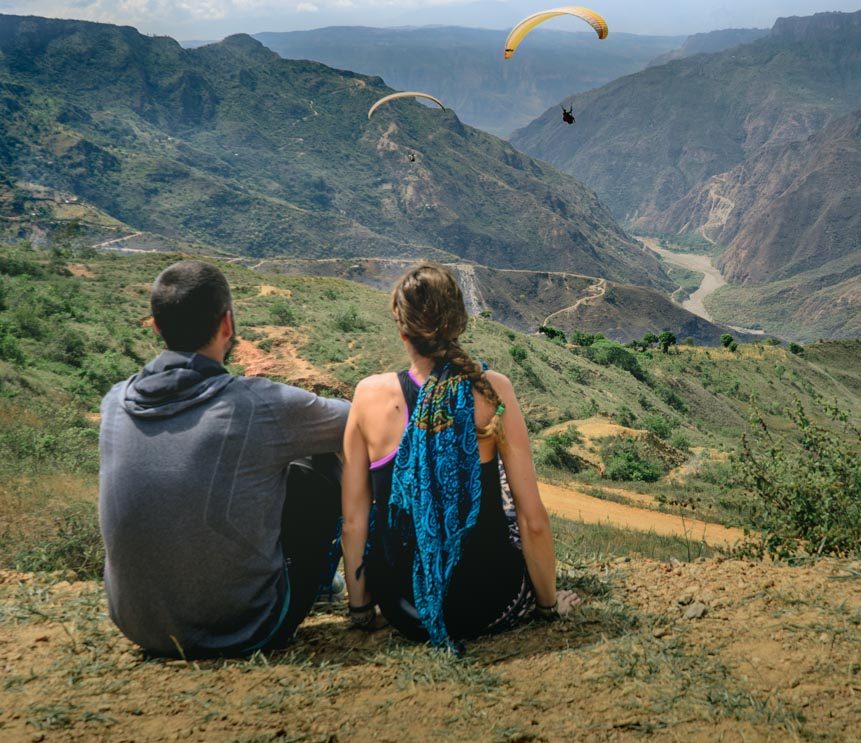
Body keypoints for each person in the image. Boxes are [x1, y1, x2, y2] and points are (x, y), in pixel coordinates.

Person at [99, 260, 348, 658]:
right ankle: (322, 585)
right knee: (320, 466)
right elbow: (357, 422)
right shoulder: (258, 404)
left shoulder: (115, 402)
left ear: (156, 326)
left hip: (139, 625)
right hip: (247, 628)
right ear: (227, 324)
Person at [340, 262, 577, 647]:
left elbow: (353, 521)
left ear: (402, 331)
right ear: (459, 323)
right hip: (489, 605)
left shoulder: (367, 396)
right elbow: (533, 519)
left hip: (406, 611)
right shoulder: (491, 390)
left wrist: (362, 611)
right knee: (500, 486)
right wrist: (547, 606)